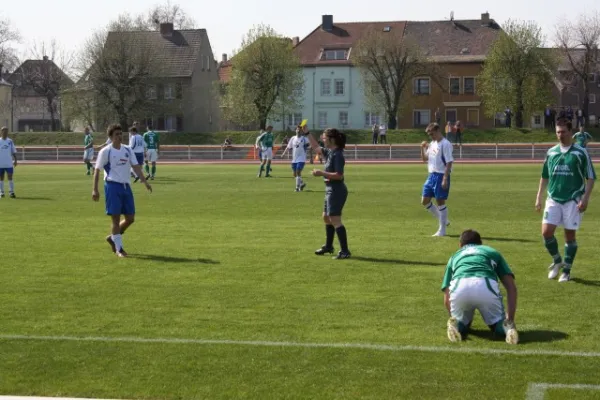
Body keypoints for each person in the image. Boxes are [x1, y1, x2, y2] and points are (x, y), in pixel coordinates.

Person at [535, 118, 596, 282]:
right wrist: (538, 197)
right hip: (553, 199)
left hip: (573, 200)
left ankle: (567, 271)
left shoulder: (580, 152)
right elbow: (544, 176)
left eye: (563, 131)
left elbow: (590, 177)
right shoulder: (551, 152)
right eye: (558, 132)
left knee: (569, 236)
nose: (560, 135)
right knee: (546, 233)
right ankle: (557, 261)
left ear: (571, 132)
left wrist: (586, 199)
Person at [442, 229, 519, 345]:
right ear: (480, 243)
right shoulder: (492, 252)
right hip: (485, 284)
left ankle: (456, 325)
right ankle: (507, 329)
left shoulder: (454, 256)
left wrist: (453, 315)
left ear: (460, 245)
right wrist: (510, 319)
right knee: (497, 325)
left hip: (460, 287)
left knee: (464, 324)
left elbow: (447, 292)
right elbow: (511, 287)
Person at [92, 124, 152, 258]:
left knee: (130, 218)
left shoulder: (128, 150)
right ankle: (119, 249)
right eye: (116, 135)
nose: (120, 137)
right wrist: (95, 190)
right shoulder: (106, 151)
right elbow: (97, 170)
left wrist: (145, 182)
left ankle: (113, 238)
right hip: (112, 186)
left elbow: (136, 167)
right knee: (116, 218)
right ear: (111, 137)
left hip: (126, 186)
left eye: (121, 134)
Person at [306, 128, 351, 259]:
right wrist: (307, 133)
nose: (322, 140)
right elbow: (316, 147)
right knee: (326, 217)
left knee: (335, 219)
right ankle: (329, 246)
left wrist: (321, 173)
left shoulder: (338, 155)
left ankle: (345, 251)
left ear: (332, 139)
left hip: (336, 190)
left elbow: (339, 175)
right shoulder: (330, 152)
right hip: (330, 189)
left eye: (324, 138)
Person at [420, 122, 453, 236]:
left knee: (440, 202)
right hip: (431, 175)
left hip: (440, 175)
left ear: (438, 131)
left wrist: (445, 178)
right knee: (424, 201)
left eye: (432, 134)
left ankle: (442, 230)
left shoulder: (445, 144)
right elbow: (425, 159)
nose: (431, 137)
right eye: (430, 135)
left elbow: (449, 162)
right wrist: (423, 148)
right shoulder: (432, 143)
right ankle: (444, 219)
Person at [280, 125, 309, 192]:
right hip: (294, 159)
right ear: (295, 130)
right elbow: (288, 147)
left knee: (298, 171)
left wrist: (309, 151)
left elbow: (309, 145)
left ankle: (297, 188)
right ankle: (302, 183)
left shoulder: (304, 139)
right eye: (297, 129)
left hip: (301, 158)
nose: (298, 131)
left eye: (300, 130)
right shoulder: (293, 138)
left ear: (302, 131)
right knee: (295, 174)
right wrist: (283, 154)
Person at [0, 126, 17, 198]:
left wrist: (16, 160)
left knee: (10, 177)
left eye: (6, 131)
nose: (5, 132)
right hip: (0, 163)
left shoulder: (10, 141)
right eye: (4, 131)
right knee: (1, 178)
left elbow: (13, 151)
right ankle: (1, 192)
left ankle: (11, 192)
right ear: (1, 132)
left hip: (9, 163)